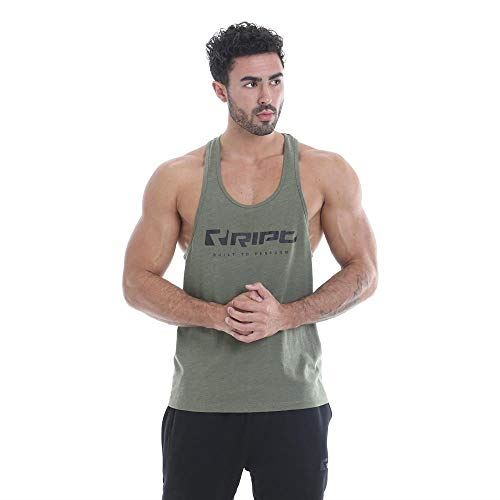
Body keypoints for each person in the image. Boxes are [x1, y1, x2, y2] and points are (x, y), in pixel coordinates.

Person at [122, 21, 378, 500]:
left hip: (294, 402)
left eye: (276, 80)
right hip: (201, 403)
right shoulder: (179, 177)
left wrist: (286, 316)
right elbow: (136, 281)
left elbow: (364, 272)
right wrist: (218, 316)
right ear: (221, 90)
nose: (267, 96)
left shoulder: (325, 171)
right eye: (250, 83)